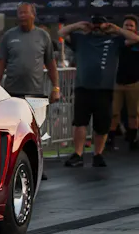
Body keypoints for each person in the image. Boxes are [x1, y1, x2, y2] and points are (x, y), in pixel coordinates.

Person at [59, 17, 139, 167]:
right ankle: (78, 154)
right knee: (80, 123)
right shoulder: (81, 39)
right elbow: (61, 32)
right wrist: (79, 25)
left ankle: (98, 154)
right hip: (83, 87)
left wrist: (116, 29)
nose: (96, 27)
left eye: (99, 24)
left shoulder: (114, 41)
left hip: (104, 88)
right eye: (94, 24)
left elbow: (135, 39)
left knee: (102, 125)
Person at [0, 2, 60, 180]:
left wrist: (56, 88)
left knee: (37, 133)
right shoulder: (9, 36)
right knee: (13, 133)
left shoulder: (43, 36)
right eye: (19, 13)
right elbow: (0, 65)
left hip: (36, 94)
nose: (22, 16)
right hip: (12, 94)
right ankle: (11, 168)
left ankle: (38, 168)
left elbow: (51, 64)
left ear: (33, 15)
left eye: (25, 13)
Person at [108, 15, 139, 150]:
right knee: (114, 113)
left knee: (134, 114)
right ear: (123, 26)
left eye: (131, 25)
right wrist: (119, 31)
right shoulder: (118, 40)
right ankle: (110, 139)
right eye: (126, 25)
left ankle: (133, 139)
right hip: (117, 82)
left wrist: (119, 29)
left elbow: (135, 39)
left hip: (134, 83)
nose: (129, 27)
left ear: (136, 28)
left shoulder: (137, 39)